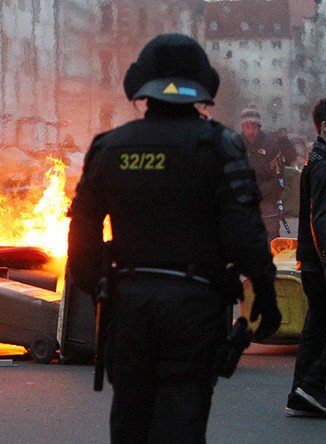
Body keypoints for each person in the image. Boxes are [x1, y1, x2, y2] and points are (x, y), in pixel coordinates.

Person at [67, 34, 281, 443]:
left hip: (129, 306)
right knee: (182, 418)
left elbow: (82, 233)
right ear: (203, 87)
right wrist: (264, 296)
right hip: (194, 307)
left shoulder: (110, 148)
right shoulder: (221, 146)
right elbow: (244, 233)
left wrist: (97, 289)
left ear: (140, 86)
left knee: (129, 419)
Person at [288, 98, 326, 417]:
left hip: (313, 260)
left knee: (317, 324)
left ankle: (301, 392)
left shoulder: (316, 158)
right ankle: (313, 386)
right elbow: (321, 219)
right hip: (320, 259)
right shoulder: (323, 163)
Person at [240, 106, 297, 241]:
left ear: (259, 127)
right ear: (242, 127)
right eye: (246, 127)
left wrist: (258, 192)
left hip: (267, 200)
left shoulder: (271, 144)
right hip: (244, 201)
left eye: (253, 126)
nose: (250, 131)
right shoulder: (235, 144)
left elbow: (278, 179)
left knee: (270, 239)